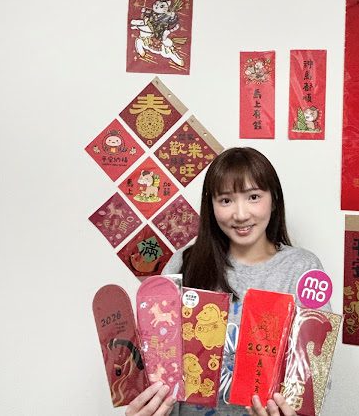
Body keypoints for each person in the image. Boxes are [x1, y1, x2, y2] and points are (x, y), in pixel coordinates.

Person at [126, 147, 331, 416]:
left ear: (274, 199)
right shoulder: (185, 262)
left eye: (253, 197)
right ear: (211, 206)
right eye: (226, 200)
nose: (241, 214)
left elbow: (315, 374)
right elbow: (156, 360)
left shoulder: (303, 269)